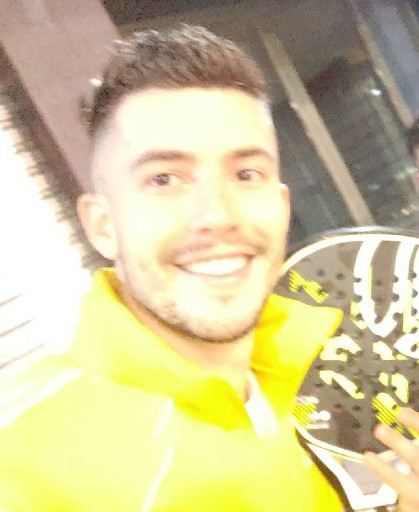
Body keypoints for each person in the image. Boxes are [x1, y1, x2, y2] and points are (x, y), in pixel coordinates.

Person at [0, 25, 418, 512]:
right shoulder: (26, 462)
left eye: (245, 174)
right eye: (164, 179)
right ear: (103, 225)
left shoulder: (310, 382)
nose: (217, 215)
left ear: (282, 205)